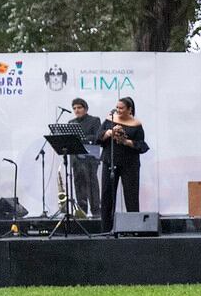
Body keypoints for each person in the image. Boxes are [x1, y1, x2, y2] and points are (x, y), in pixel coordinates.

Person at [99, 96, 148, 231]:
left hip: (129, 164)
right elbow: (99, 138)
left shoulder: (136, 125)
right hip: (110, 161)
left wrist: (126, 142)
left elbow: (142, 145)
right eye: (117, 108)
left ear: (129, 109)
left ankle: (134, 229)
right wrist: (109, 132)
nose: (118, 110)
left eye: (121, 108)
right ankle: (106, 229)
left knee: (131, 197)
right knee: (107, 196)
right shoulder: (110, 120)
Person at [62, 98, 103, 221]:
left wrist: (81, 138)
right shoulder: (71, 122)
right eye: (74, 108)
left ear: (85, 108)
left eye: (79, 107)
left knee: (91, 184)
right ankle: (81, 212)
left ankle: (96, 211)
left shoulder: (94, 120)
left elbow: (97, 137)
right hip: (76, 159)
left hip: (90, 158)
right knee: (79, 184)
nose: (76, 110)